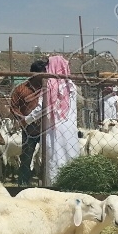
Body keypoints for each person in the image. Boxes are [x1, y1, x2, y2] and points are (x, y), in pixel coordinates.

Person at [43, 55, 80, 185]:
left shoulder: (49, 85)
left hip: (55, 129)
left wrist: (26, 119)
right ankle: (72, 185)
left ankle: (54, 187)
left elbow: (40, 108)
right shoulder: (72, 87)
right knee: (71, 156)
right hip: (70, 128)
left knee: (55, 158)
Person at [10, 59, 47, 187]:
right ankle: (24, 183)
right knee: (26, 157)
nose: (44, 76)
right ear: (33, 74)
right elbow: (13, 107)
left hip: (46, 129)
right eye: (42, 74)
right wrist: (23, 120)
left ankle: (45, 182)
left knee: (47, 157)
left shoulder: (48, 88)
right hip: (28, 129)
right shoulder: (21, 89)